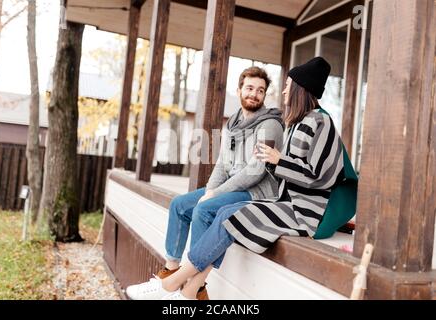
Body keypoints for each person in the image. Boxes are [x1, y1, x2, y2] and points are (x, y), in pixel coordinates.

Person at [125, 56, 358, 300]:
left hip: (305, 213)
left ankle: (170, 285)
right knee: (223, 212)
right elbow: (230, 164)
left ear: (302, 88)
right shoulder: (296, 123)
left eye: (289, 85)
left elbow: (322, 176)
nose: (285, 90)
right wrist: (213, 189)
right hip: (287, 203)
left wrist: (278, 161)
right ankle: (189, 292)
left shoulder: (320, 121)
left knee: (226, 213)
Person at [126, 66, 285, 300]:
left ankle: (195, 286)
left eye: (260, 90)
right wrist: (210, 190)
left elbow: (255, 172)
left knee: (205, 209)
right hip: (232, 186)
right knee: (180, 205)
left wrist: (215, 195)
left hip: (257, 192)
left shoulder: (270, 125)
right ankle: (170, 271)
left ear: (264, 95)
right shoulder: (233, 123)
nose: (254, 94)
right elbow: (222, 164)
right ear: (239, 89)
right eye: (249, 88)